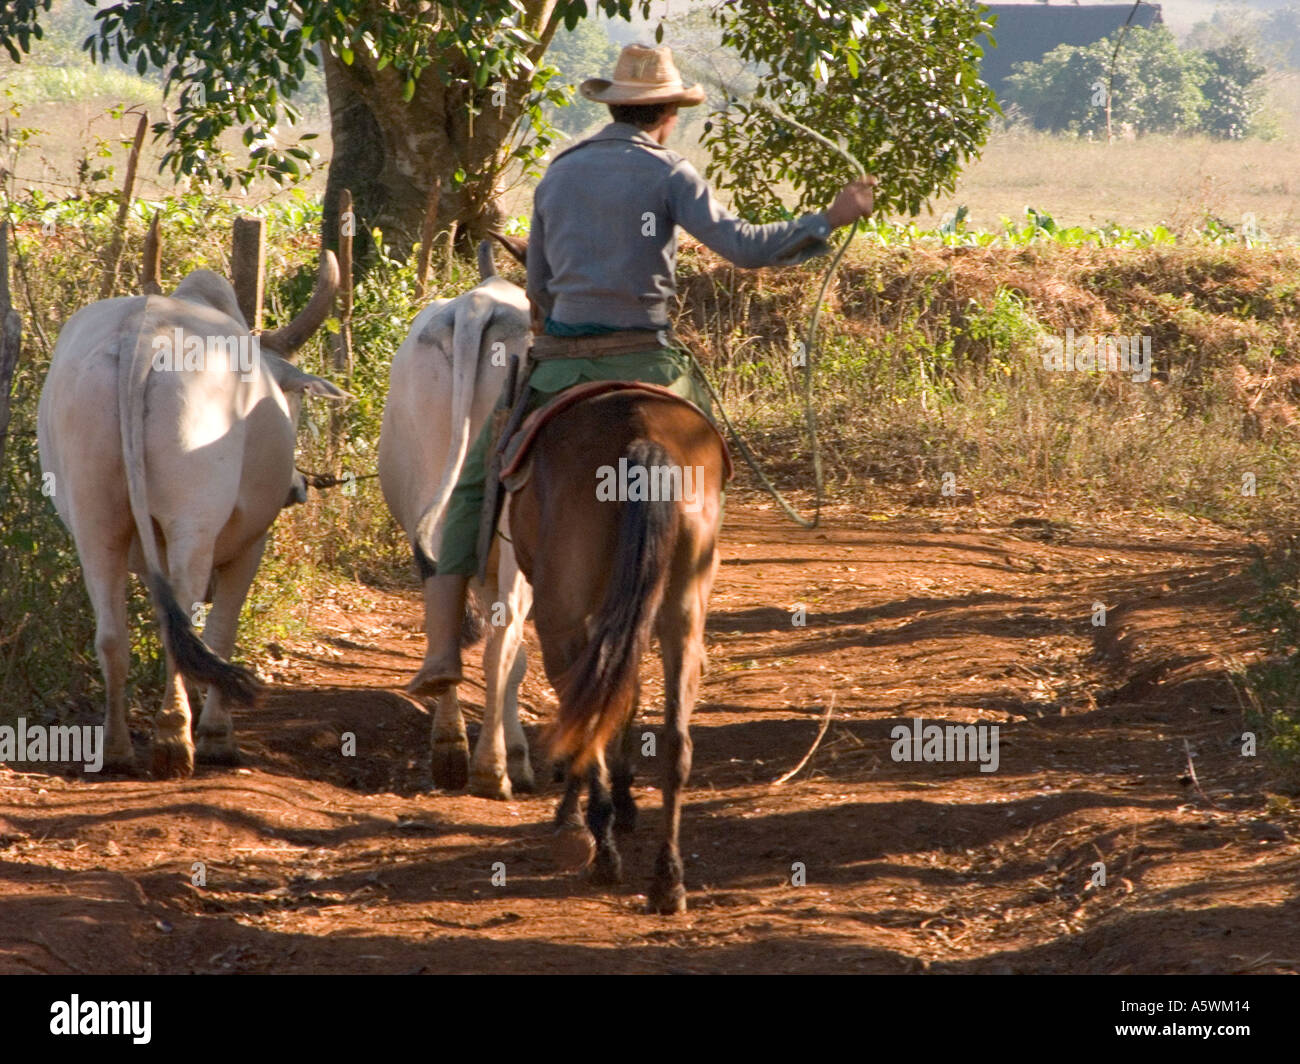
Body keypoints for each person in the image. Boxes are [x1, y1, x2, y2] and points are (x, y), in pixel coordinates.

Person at [408, 43, 876, 697]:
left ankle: (439, 654)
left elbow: (538, 285)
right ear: (669, 114)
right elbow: (743, 247)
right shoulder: (671, 175)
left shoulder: (559, 174)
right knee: (703, 472)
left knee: (473, 489)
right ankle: (687, 604)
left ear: (615, 107)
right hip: (652, 360)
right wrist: (829, 218)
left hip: (560, 367)